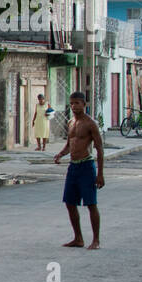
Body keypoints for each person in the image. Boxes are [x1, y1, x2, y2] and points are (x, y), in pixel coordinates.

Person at [53, 91, 104, 250]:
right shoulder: (71, 122)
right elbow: (70, 144)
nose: (74, 106)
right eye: (72, 104)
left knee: (91, 204)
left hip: (87, 166)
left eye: (77, 103)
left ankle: (95, 240)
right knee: (69, 203)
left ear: (84, 104)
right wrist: (61, 154)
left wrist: (100, 174)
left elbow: (100, 149)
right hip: (73, 166)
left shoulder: (91, 123)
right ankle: (78, 238)